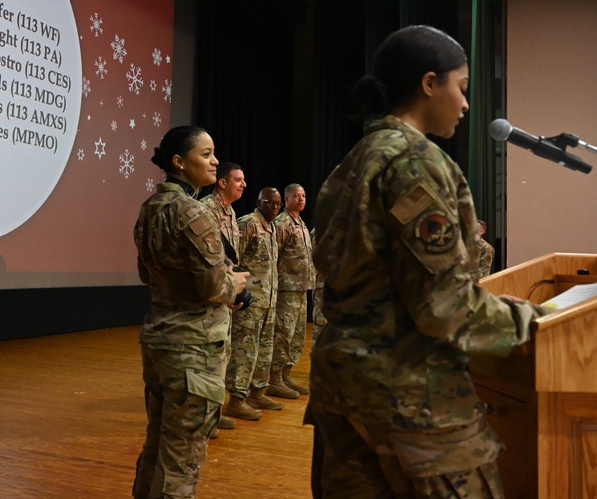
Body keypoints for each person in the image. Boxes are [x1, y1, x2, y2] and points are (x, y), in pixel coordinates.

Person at [307, 25, 546, 498]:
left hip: (344, 386)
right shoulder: (415, 162)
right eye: (462, 87)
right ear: (429, 83)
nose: (465, 104)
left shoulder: (356, 159)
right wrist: (533, 319)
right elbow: (443, 308)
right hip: (410, 394)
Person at [133, 125, 248, 499]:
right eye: (206, 154)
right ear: (179, 162)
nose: (215, 161)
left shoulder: (150, 209)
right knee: (182, 456)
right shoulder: (194, 213)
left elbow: (144, 273)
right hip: (194, 347)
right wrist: (237, 284)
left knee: (158, 443)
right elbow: (214, 288)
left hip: (160, 339)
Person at [224, 187, 283, 421]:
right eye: (271, 203)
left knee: (264, 350)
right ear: (259, 202)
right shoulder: (247, 223)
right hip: (251, 302)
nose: (275, 207)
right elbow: (233, 260)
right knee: (244, 351)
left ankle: (257, 392)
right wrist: (238, 293)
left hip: (268, 301)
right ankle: (237, 400)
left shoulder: (271, 227)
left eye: (278, 204)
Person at [200, 161, 246, 432]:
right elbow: (209, 259)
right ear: (222, 182)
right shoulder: (206, 210)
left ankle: (214, 413)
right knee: (209, 357)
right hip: (211, 296)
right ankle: (205, 417)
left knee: (221, 356)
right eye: (238, 180)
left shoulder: (230, 212)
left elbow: (231, 258)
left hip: (225, 294)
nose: (243, 184)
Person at [268, 183, 315, 399]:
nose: (302, 199)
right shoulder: (282, 223)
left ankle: (286, 375)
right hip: (286, 289)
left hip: (302, 288)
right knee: (282, 334)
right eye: (297, 196)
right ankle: (274, 379)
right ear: (287, 199)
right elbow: (273, 256)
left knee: (296, 335)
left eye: (304, 195)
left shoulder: (301, 223)